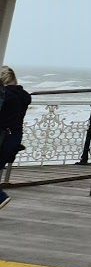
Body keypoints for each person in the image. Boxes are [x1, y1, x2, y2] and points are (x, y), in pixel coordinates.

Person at [0, 66, 31, 213]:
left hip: (4, 138)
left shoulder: (6, 96)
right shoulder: (23, 96)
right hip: (15, 137)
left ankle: (1, 197)